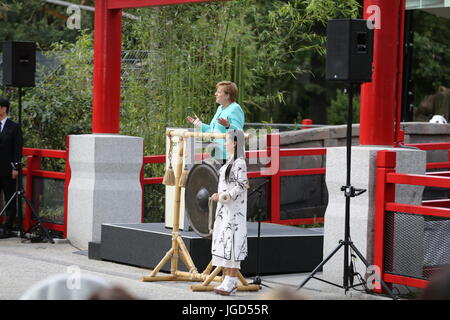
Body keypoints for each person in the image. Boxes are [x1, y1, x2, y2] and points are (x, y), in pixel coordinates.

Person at [210, 131, 248, 296]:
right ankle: (227, 279)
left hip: (234, 209)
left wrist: (224, 196)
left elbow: (241, 185)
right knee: (225, 240)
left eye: (227, 141)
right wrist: (219, 196)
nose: (225, 144)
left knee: (233, 241)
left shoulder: (240, 163)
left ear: (234, 143)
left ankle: (231, 281)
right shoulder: (231, 161)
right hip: (225, 208)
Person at [187, 81, 244, 162]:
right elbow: (213, 130)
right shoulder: (220, 108)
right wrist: (199, 124)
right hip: (216, 154)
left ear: (227, 95)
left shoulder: (235, 108)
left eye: (219, 92)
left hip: (228, 157)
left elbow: (239, 133)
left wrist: (228, 126)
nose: (215, 94)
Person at [0, 97, 22, 239]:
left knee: (10, 198)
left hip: (8, 169)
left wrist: (15, 167)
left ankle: (7, 228)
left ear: (4, 108)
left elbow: (17, 149)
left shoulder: (14, 126)